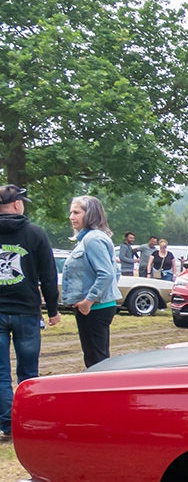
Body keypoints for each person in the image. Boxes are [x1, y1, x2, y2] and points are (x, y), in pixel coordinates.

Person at [0, 185, 61, 442]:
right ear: (15, 205)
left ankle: (7, 423)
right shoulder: (35, 233)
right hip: (26, 310)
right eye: (22, 201)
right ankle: (28, 423)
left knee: (0, 373)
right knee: (28, 373)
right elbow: (48, 276)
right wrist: (53, 309)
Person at [60, 195, 121, 368]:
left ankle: (102, 393)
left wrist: (89, 300)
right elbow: (114, 272)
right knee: (94, 358)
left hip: (96, 308)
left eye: (76, 212)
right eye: (71, 212)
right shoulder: (87, 239)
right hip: (93, 307)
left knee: (97, 361)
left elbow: (107, 274)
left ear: (91, 214)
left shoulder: (93, 239)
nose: (71, 217)